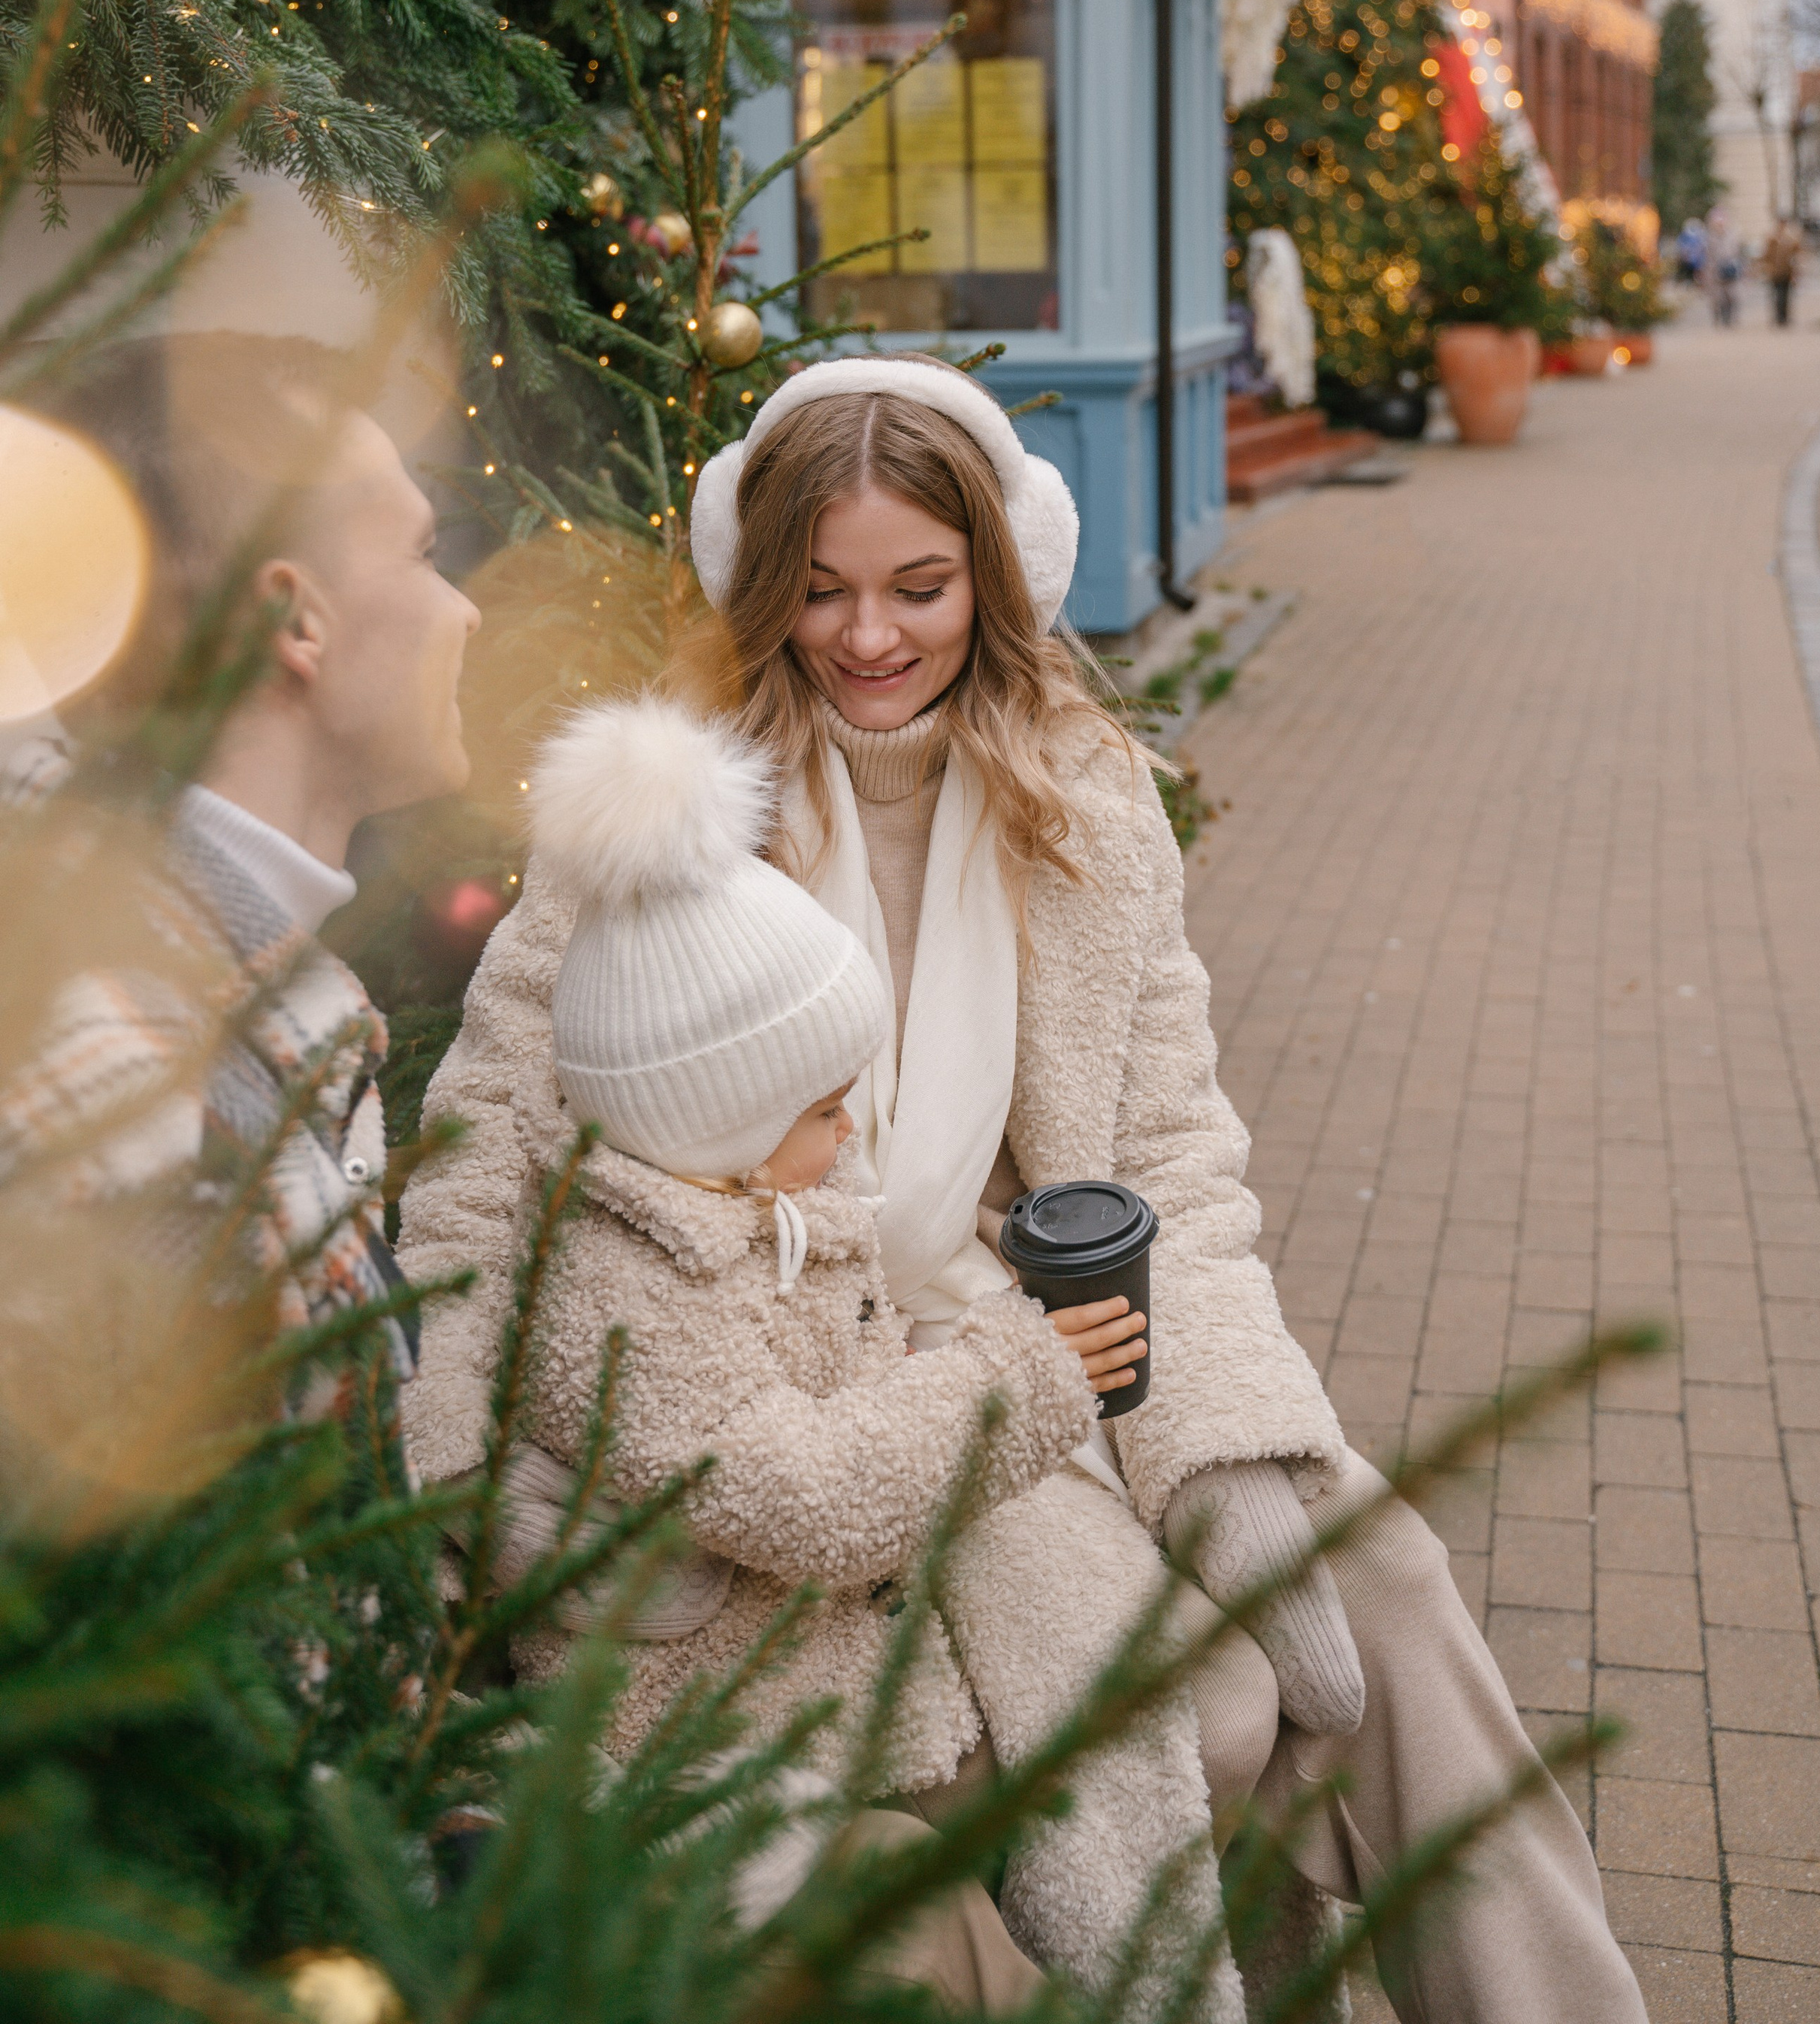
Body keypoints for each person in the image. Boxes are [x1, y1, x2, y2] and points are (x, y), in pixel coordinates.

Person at [401, 355, 1648, 2024]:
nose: (867, 638)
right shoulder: (662, 812)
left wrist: (1216, 1454)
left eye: (918, 587)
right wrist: (442, 1516)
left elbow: (1168, 1163)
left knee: (1383, 1581)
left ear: (994, 577)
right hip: (844, 1386)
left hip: (1055, 1333)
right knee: (1216, 1724)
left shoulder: (1088, 798)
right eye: (823, 591)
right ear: (759, 583)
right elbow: (485, 1160)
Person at [504, 688, 1120, 2011]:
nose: (850, 1138)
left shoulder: (761, 1203)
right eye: (824, 1109)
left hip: (821, 1677)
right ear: (711, 1114)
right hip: (713, 1741)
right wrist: (1028, 1368)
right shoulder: (628, 1294)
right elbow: (816, 1497)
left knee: (1084, 1757)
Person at [2, 333, 479, 1382]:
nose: (467, 609)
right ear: (292, 617)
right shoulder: (138, 1092)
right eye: (424, 554)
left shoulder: (244, 986)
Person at [1764, 217, 1803, 327]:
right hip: (1775, 272)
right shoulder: (1772, 240)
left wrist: (1797, 269)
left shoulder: (1792, 240)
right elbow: (1767, 255)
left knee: (1786, 295)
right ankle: (1778, 316)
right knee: (1777, 295)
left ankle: (1784, 317)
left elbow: (1798, 254)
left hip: (1787, 272)